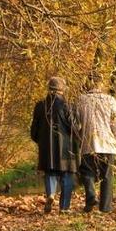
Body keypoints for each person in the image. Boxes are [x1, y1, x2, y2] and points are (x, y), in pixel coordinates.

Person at [73, 78, 116, 213]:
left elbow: (75, 124)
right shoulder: (110, 100)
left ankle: (91, 198)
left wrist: (79, 138)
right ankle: (105, 207)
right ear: (102, 85)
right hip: (108, 144)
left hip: (89, 143)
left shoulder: (81, 100)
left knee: (87, 172)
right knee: (107, 175)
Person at [29, 76, 78, 213]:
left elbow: (34, 130)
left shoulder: (40, 106)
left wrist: (40, 141)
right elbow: (75, 127)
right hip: (66, 148)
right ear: (62, 90)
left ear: (49, 88)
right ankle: (64, 207)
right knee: (67, 174)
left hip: (46, 146)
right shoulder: (68, 106)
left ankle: (51, 194)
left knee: (50, 172)